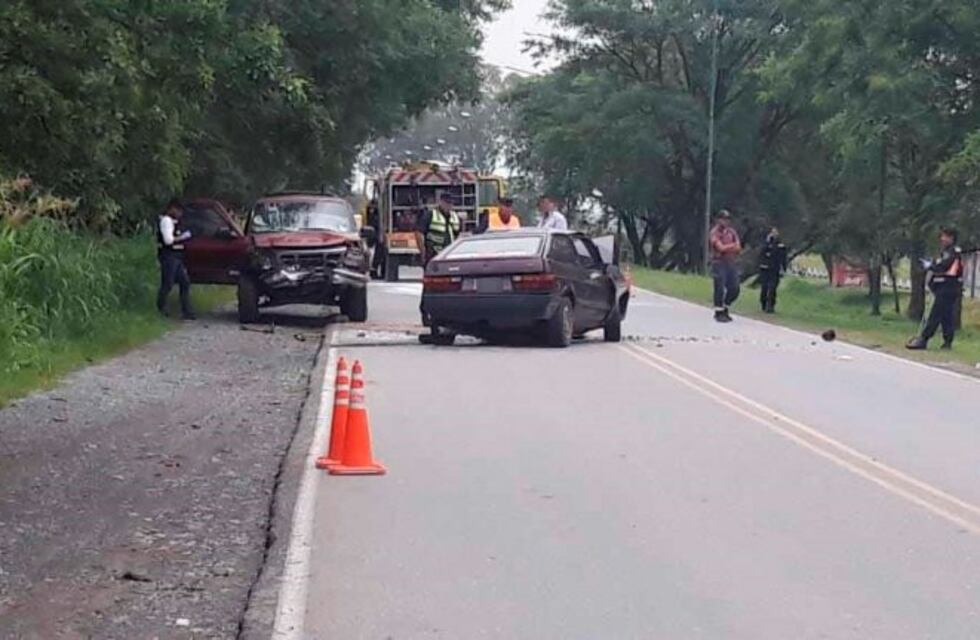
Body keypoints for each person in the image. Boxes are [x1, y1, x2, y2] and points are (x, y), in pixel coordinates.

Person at [906, 227, 964, 351]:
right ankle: (947, 342)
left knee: (935, 314)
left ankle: (923, 339)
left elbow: (943, 266)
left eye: (945, 236)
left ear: (951, 238)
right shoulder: (944, 252)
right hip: (942, 288)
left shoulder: (954, 253)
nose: (942, 239)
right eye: (942, 236)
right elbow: (938, 265)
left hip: (948, 288)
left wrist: (931, 266)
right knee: (946, 316)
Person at [156, 198, 195, 320]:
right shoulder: (166, 221)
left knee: (185, 282)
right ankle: (161, 308)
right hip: (169, 256)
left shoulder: (174, 222)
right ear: (172, 208)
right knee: (167, 283)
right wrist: (183, 237)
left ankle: (187, 311)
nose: (180, 214)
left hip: (177, 257)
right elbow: (168, 240)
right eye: (179, 211)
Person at [709, 209, 742, 322]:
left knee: (735, 288)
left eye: (727, 219)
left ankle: (726, 306)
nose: (725, 221)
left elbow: (738, 247)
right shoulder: (714, 232)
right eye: (723, 219)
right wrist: (732, 246)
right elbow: (720, 248)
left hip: (730, 262)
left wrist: (728, 247)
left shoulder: (732, 232)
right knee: (719, 286)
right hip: (719, 262)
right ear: (718, 220)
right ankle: (718, 312)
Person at [415, 192, 461, 265]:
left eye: (451, 203)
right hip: (433, 255)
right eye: (447, 203)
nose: (449, 205)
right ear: (441, 202)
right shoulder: (430, 215)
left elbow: (459, 235)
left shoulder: (455, 217)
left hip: (450, 255)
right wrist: (423, 253)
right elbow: (419, 233)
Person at [758, 227, 788, 313]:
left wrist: (784, 268)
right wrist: (767, 242)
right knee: (764, 287)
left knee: (772, 288)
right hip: (765, 268)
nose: (774, 234)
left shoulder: (780, 245)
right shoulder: (765, 243)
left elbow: (783, 258)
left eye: (776, 232)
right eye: (773, 232)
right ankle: (763, 303)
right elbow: (761, 253)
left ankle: (770, 306)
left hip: (775, 269)